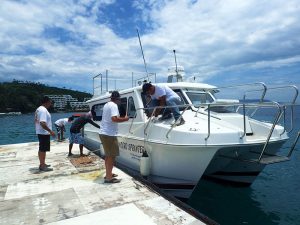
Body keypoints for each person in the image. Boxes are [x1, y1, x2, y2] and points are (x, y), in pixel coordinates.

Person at [99, 91, 129, 183]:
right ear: (118, 99)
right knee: (111, 156)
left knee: (108, 156)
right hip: (109, 134)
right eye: (120, 99)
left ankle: (108, 174)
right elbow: (114, 119)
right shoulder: (114, 106)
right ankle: (108, 178)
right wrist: (125, 119)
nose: (120, 101)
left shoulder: (107, 105)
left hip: (104, 133)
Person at [35, 96, 56, 172]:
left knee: (42, 149)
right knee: (43, 149)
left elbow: (37, 121)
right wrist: (50, 131)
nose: (51, 103)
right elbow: (42, 123)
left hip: (41, 132)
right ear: (46, 102)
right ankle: (42, 166)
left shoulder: (38, 109)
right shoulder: (43, 110)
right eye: (50, 102)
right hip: (43, 132)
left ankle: (42, 163)